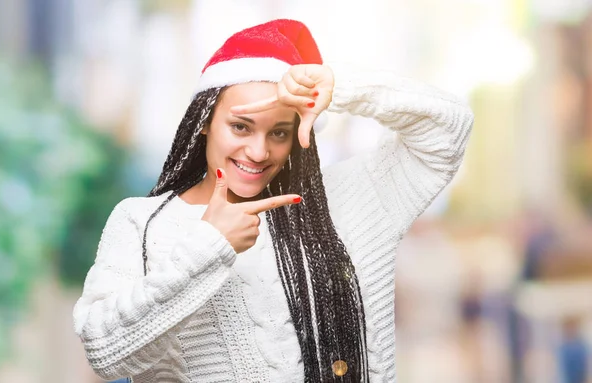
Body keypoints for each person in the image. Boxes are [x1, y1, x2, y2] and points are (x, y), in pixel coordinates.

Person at [73, 18, 474, 382]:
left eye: (279, 133)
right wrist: (208, 246)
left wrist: (344, 88)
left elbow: (448, 130)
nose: (258, 151)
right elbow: (105, 353)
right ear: (203, 123)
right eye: (240, 126)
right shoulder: (141, 223)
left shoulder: (352, 200)